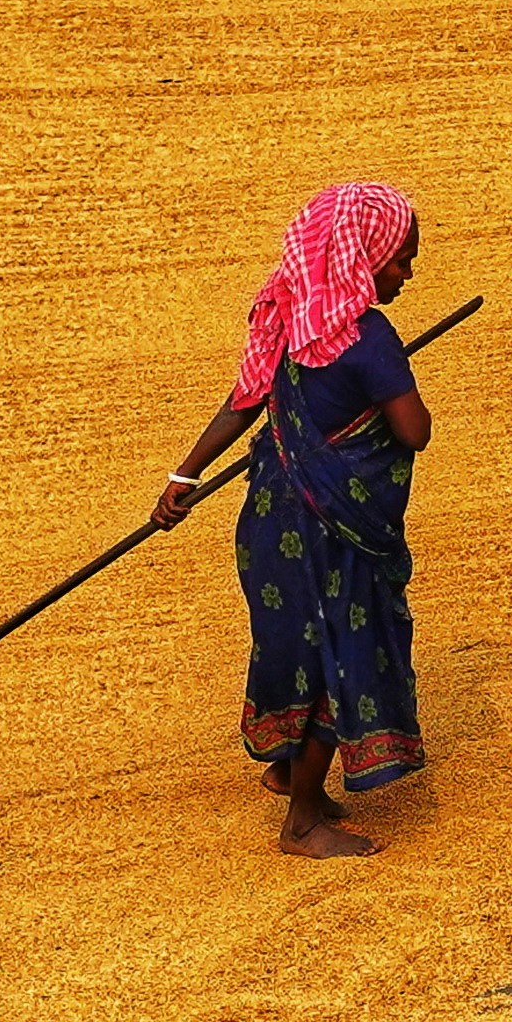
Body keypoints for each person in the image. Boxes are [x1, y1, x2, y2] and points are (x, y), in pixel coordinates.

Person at [148, 184, 432, 857]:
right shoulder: (369, 340)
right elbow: (414, 431)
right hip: (330, 538)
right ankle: (303, 821)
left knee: (294, 650)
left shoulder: (285, 318)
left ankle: (286, 769)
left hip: (270, 527)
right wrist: (389, 386)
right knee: (340, 656)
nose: (406, 274)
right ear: (363, 258)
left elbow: (242, 401)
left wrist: (182, 477)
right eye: (399, 260)